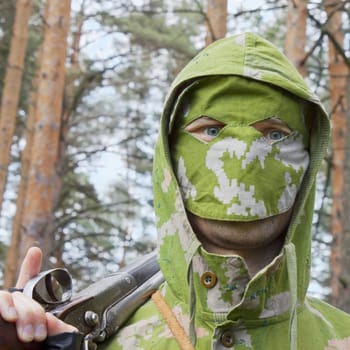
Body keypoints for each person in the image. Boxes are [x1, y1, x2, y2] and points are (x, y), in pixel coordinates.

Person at [1, 32, 350, 350]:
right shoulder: (93, 340)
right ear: (168, 157)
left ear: (310, 158)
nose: (244, 157)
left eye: (274, 135)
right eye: (211, 131)